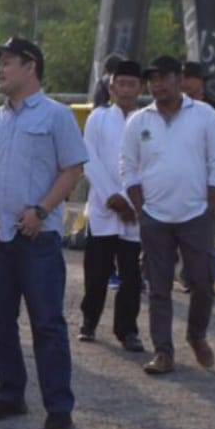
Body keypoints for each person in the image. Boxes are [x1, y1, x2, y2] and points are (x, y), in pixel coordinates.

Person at [0, 37, 88, 429]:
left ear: (31, 67)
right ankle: (10, 393)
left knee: (47, 324)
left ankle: (58, 406)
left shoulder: (56, 116)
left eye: (7, 62)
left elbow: (72, 169)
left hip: (37, 239)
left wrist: (41, 210)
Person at [121, 55, 215, 374]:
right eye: (152, 79)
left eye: (163, 77)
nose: (157, 84)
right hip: (155, 217)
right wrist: (141, 208)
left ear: (179, 79)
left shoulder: (205, 115)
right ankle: (163, 352)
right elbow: (127, 166)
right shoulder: (139, 121)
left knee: (202, 282)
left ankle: (196, 335)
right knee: (158, 287)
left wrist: (210, 208)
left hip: (196, 215)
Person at [78, 60, 145, 352]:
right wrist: (113, 197)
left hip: (135, 211)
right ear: (112, 87)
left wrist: (132, 201)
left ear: (140, 88)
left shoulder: (148, 122)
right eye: (122, 83)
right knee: (96, 272)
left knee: (131, 276)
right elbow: (88, 158)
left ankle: (127, 330)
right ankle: (89, 321)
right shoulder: (98, 118)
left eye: (133, 84)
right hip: (105, 208)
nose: (127, 89)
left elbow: (151, 165)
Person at [180, 61, 215, 142]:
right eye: (181, 78)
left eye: (188, 77)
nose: (184, 82)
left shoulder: (214, 109)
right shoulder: (174, 108)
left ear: (201, 80)